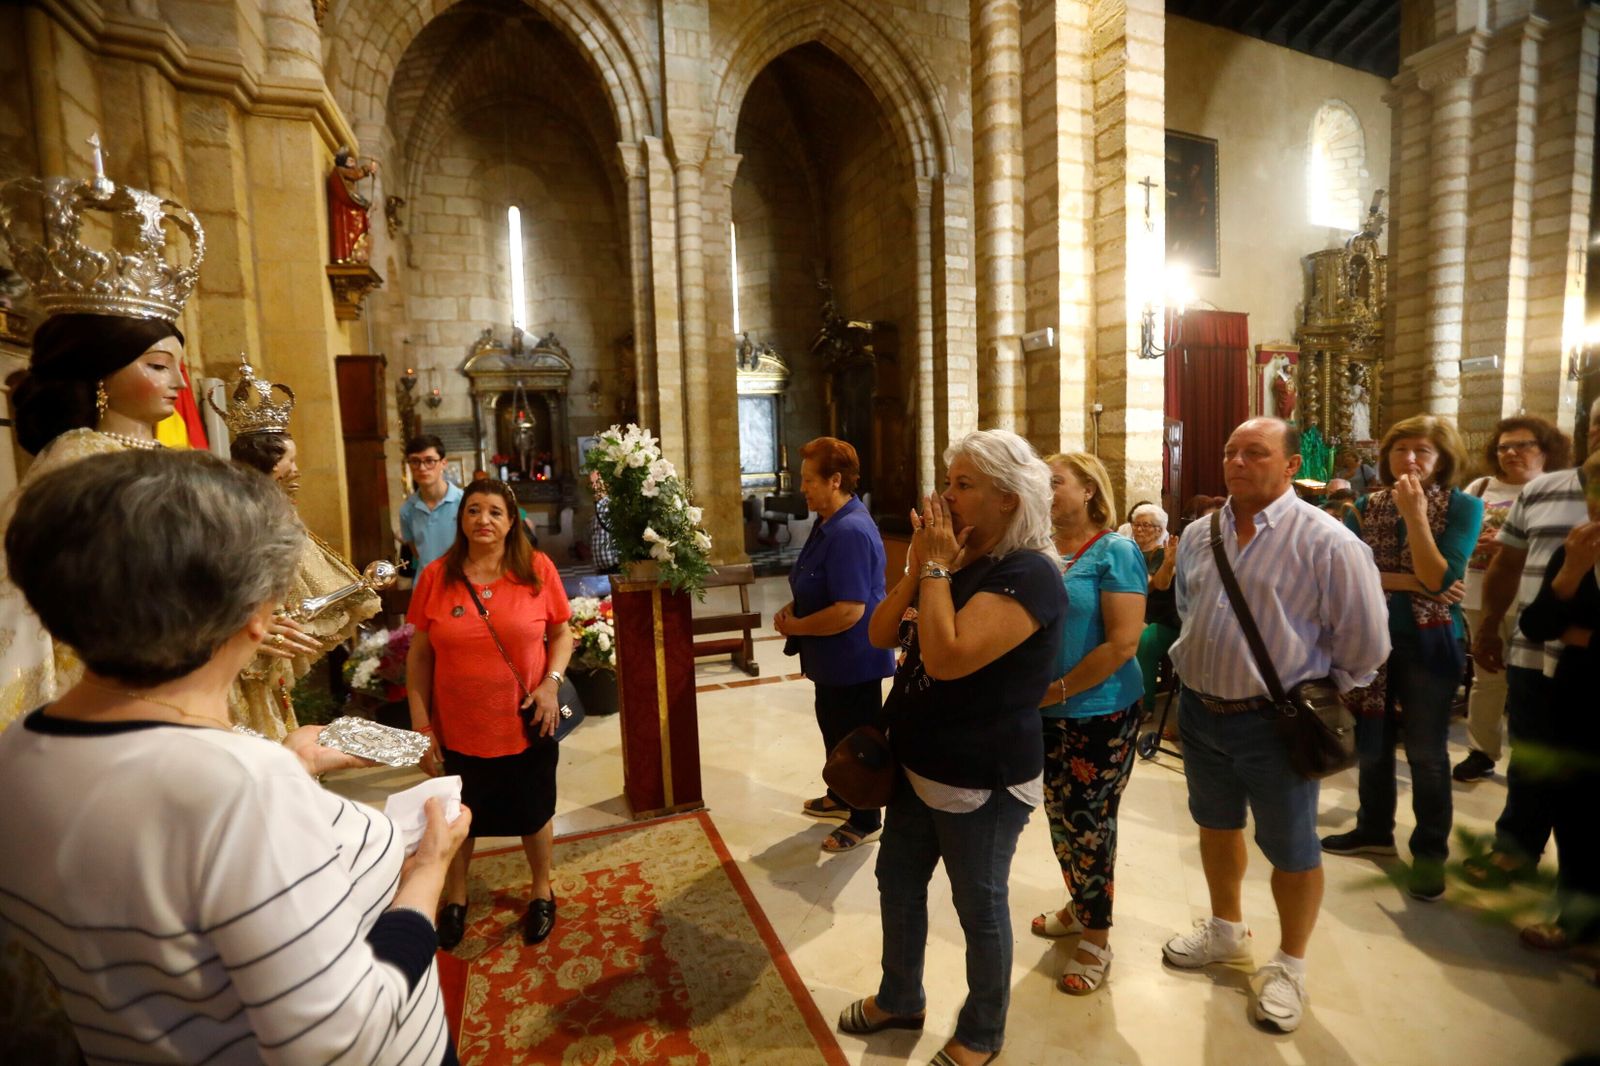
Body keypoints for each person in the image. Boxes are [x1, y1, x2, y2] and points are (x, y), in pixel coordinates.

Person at [0, 448, 468, 1063]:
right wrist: (426, 873)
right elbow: (341, 1043)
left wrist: (290, 761)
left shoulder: (19, 750)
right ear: (255, 614)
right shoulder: (243, 786)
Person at [838, 429, 1065, 1066]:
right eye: (950, 481)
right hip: (917, 763)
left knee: (979, 905)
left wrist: (935, 569)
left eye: (964, 485)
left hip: (980, 775)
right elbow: (882, 632)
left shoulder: (1031, 572)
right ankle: (900, 997)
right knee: (897, 882)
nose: (947, 497)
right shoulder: (958, 558)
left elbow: (946, 658)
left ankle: (982, 1033)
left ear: (1009, 500)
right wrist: (920, 569)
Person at [1162, 417, 1388, 1034]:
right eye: (1231, 451)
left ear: (1291, 465)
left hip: (1274, 722)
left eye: (1255, 452)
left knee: (1290, 846)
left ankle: (1290, 964)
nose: (1236, 462)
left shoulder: (1328, 542)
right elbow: (1187, 608)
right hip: (1202, 713)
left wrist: (1304, 701)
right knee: (1215, 823)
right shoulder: (1199, 533)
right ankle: (1226, 929)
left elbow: (1365, 646)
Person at [1320, 415, 1483, 901]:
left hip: (1430, 643)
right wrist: (1411, 580)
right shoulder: (1363, 507)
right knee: (1371, 744)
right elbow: (1348, 576)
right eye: (1400, 450)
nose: (1409, 459)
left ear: (1443, 460)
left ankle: (1430, 853)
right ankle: (1374, 829)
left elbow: (1439, 576)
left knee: (1427, 753)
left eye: (1423, 451)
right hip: (1370, 639)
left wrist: (1414, 516)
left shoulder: (1464, 507)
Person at [407, 478, 574, 951]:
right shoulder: (438, 576)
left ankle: (541, 888)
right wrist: (422, 727)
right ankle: (456, 897)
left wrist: (550, 684)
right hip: (459, 727)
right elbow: (419, 657)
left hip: (526, 720)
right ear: (462, 520)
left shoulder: (536, 569)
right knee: (460, 814)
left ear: (511, 520)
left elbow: (562, 635)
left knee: (534, 810)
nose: (484, 520)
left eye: (495, 512)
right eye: (474, 510)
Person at [1468, 396, 1600, 886]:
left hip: (1591, 660)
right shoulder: (1544, 490)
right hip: (1534, 648)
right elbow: (1508, 563)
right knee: (1529, 756)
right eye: (1597, 423)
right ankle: (1516, 850)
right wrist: (1489, 624)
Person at [1029, 453, 1146, 995]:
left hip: (1101, 710)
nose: (1044, 489)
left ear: (1089, 493)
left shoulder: (1115, 550)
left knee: (1089, 821)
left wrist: (1057, 689)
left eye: (1055, 481)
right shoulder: (1043, 551)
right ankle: (1080, 905)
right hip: (1046, 710)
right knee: (1059, 814)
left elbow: (1123, 643)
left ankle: (1097, 934)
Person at [217, 357, 382, 738]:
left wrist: (355, 590)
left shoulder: (271, 514)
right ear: (270, 463)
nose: (297, 470)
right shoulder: (252, 519)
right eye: (290, 460)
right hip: (237, 655)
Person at [774, 436, 896, 853]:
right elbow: (815, 580)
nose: (803, 488)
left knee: (857, 739)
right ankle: (842, 795)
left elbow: (849, 611)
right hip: (831, 657)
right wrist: (795, 609)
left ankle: (865, 817)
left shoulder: (851, 530)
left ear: (836, 480)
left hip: (853, 657)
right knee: (834, 728)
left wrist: (799, 626)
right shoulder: (827, 521)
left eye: (809, 480)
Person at [1515, 449, 1600, 953]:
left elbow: (1573, 633)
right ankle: (1577, 918)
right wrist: (1572, 571)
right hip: (1579, 699)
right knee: (1577, 813)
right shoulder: (1577, 547)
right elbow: (1538, 626)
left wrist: (1586, 636)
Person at [1452, 416, 1567, 782]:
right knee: (1487, 676)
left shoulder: (1555, 491)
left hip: (1534, 595)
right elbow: (1456, 534)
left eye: (1523, 445)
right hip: (1478, 590)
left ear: (1546, 449)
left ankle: (1529, 754)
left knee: (1531, 678)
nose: (1512, 453)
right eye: (1504, 447)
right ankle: (1482, 750)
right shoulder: (1480, 486)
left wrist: (1510, 540)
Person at [1126, 502, 1181, 715]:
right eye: (1136, 524)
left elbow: (1156, 585)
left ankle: (1144, 706)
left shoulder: (1164, 553)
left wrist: (1168, 564)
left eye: (1146, 525)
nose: (1139, 529)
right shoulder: (1129, 550)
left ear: (1159, 529)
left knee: (1145, 642)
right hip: (1136, 612)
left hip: (1164, 617)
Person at [400, 433, 464, 572]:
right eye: (415, 461)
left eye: (429, 461)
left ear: (443, 463)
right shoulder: (407, 510)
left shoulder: (464, 502)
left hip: (459, 581)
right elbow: (418, 554)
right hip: (426, 584)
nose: (422, 468)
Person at [589, 469, 621, 574]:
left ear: (607, 484)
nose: (594, 486)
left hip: (614, 566)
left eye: (597, 482)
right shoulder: (599, 504)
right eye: (591, 483)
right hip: (603, 568)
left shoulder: (609, 504)